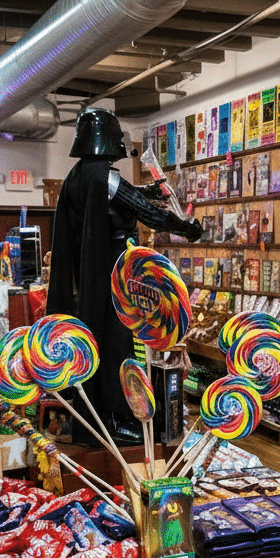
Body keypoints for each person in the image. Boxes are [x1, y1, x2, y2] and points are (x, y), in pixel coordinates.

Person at [46, 109, 201, 444]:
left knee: (104, 345)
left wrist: (150, 191)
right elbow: (141, 210)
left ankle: (105, 417)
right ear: (110, 140)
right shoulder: (103, 174)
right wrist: (185, 228)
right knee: (117, 347)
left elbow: (126, 195)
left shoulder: (79, 175)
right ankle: (116, 418)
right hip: (116, 273)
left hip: (96, 273)